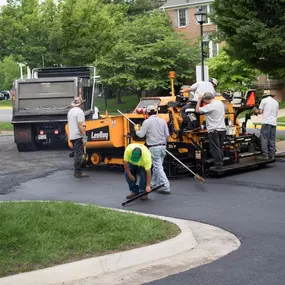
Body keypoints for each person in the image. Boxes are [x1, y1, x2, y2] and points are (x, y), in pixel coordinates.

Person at [135, 105, 171, 194]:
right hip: (163, 147)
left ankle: (166, 186)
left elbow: (141, 135)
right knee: (157, 167)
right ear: (156, 112)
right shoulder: (163, 121)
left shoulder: (147, 122)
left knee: (158, 167)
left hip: (154, 147)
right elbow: (167, 135)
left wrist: (137, 130)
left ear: (147, 113)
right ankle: (154, 183)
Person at [196, 92, 226, 171]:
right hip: (222, 129)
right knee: (219, 147)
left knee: (215, 149)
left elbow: (197, 110)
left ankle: (218, 165)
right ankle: (221, 162)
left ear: (206, 99)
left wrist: (199, 100)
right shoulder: (220, 103)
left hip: (214, 130)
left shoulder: (210, 106)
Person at [253, 90, 279, 160]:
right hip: (273, 122)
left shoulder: (264, 100)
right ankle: (272, 154)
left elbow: (260, 111)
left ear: (265, 95)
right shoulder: (276, 102)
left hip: (266, 122)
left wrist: (255, 111)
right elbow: (276, 113)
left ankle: (265, 155)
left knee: (264, 138)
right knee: (272, 138)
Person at [67, 97, 89, 178]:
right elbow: (80, 125)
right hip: (78, 135)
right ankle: (78, 172)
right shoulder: (79, 112)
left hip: (72, 135)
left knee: (77, 153)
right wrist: (84, 136)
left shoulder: (70, 112)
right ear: (81, 104)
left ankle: (78, 171)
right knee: (78, 154)